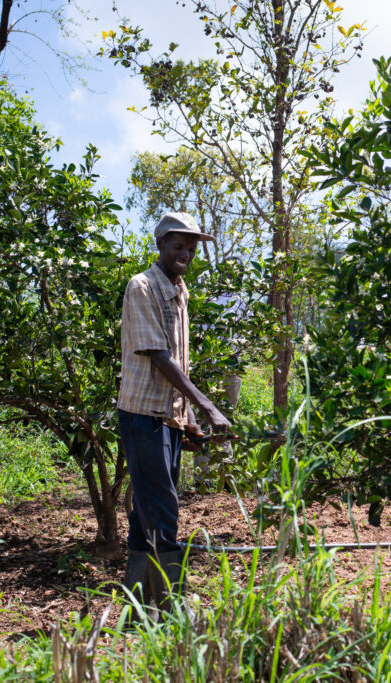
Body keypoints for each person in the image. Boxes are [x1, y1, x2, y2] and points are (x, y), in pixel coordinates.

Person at [117, 211, 231, 611]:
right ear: (160, 245)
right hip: (143, 416)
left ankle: (138, 605)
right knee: (162, 508)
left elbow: (180, 362)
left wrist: (191, 420)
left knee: (146, 512)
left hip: (168, 420)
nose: (185, 253)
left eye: (191, 248)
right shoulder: (143, 287)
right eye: (178, 245)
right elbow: (159, 357)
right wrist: (208, 404)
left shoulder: (179, 291)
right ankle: (168, 609)